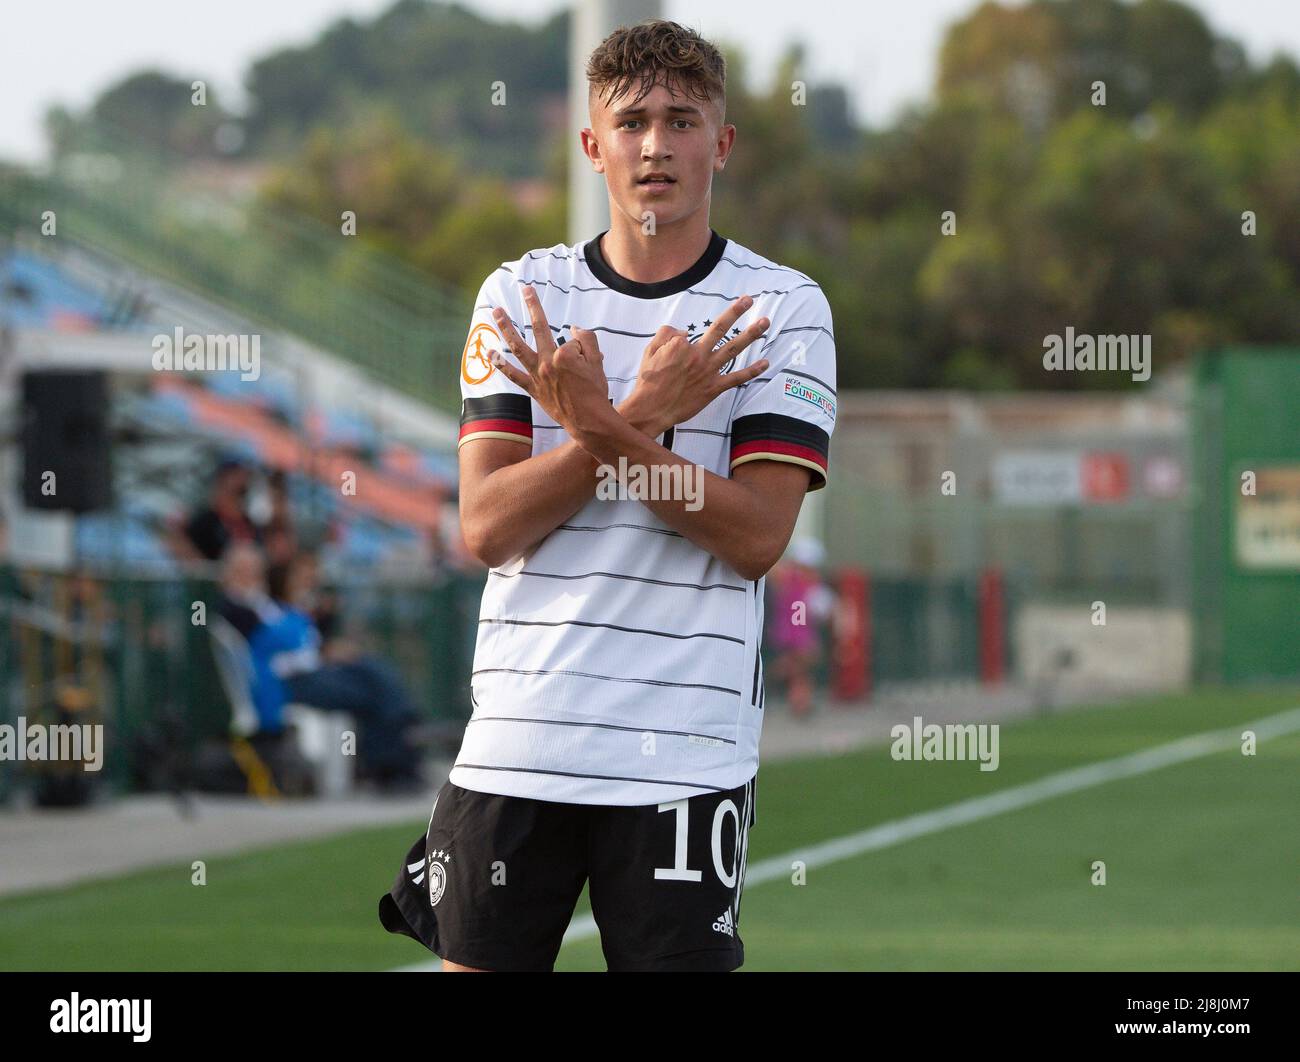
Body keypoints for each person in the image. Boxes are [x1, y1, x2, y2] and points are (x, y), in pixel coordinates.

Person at [379, 20, 837, 972]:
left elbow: (755, 537)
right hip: (517, 740)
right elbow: (486, 525)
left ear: (723, 142)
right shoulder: (520, 296)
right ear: (592, 146)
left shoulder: (783, 309)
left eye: (682, 119)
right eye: (631, 122)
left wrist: (602, 427)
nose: (657, 145)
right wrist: (637, 417)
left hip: (684, 754)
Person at [216, 544, 425, 792]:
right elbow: (277, 642)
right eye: (244, 571)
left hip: (312, 670)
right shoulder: (235, 608)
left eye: (254, 570)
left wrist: (322, 642)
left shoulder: (264, 603)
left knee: (371, 669)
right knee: (368, 695)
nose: (251, 577)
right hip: (289, 682)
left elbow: (300, 637)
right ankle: (392, 764)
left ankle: (402, 726)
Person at [767, 538, 835, 719]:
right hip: (800, 634)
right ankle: (795, 698)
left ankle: (799, 701)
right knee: (798, 669)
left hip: (787, 632)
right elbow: (824, 611)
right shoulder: (808, 585)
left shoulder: (786, 579)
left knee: (799, 672)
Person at [174, 456, 261, 563]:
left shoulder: (250, 524)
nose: (243, 479)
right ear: (222, 479)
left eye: (246, 474)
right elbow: (193, 562)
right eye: (236, 474)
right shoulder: (204, 523)